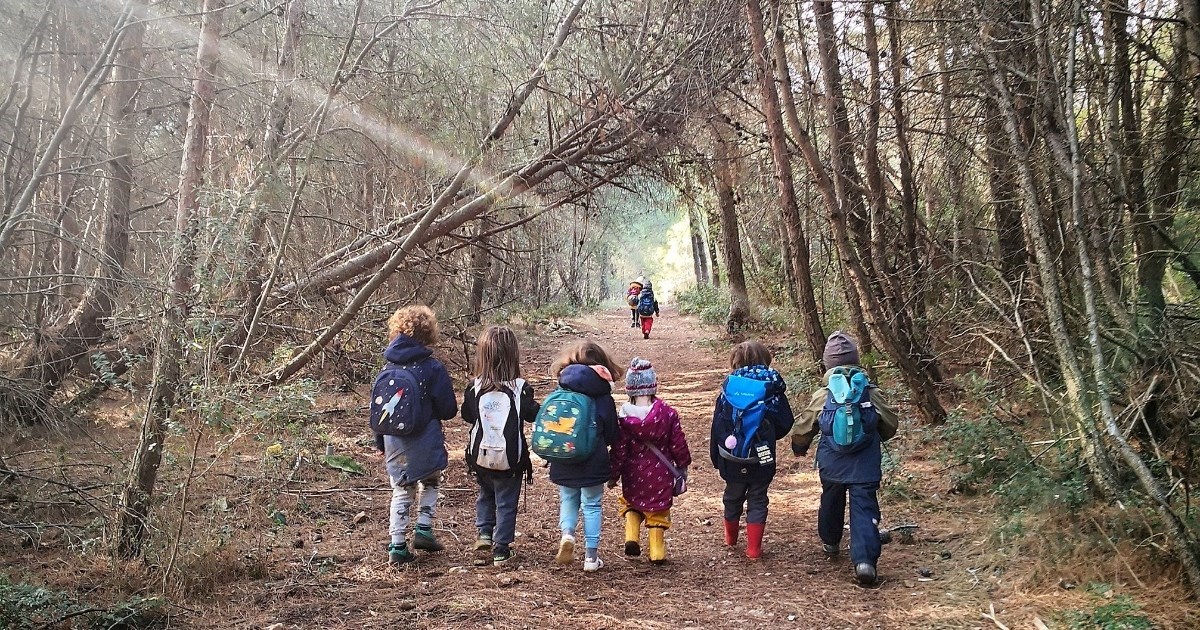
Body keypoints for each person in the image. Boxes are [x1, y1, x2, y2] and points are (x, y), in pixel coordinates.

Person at [790, 331, 898, 586]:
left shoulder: (824, 393)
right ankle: (864, 562)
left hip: (832, 463)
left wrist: (799, 447)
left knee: (831, 498)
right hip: (865, 465)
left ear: (827, 364)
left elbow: (804, 426)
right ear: (856, 360)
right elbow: (891, 425)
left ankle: (830, 542)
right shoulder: (869, 390)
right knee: (864, 507)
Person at [370, 305, 458, 566]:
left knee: (401, 490)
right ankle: (423, 528)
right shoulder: (432, 368)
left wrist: (380, 442)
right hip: (426, 439)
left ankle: (397, 545)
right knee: (431, 481)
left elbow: (379, 413)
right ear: (429, 333)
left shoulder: (387, 367)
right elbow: (448, 409)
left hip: (393, 441)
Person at [461, 326, 540, 567]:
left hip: (481, 457)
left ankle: (484, 532)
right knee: (506, 502)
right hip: (510, 459)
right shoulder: (520, 388)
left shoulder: (475, 387)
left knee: (485, 494)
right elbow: (532, 415)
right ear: (512, 355)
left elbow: (467, 415)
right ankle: (501, 549)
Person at [709, 340, 794, 559]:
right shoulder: (772, 389)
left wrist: (717, 457)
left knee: (732, 496)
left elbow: (717, 426)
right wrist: (768, 436)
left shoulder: (728, 390)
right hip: (763, 455)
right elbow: (785, 422)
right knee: (758, 497)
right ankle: (754, 549)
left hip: (732, 455)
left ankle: (731, 538)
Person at [546, 340, 622, 572]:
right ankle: (591, 557)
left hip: (563, 458)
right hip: (594, 461)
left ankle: (568, 534)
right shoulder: (603, 397)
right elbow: (612, 435)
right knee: (592, 504)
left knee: (568, 499)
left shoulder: (561, 391)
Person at [609, 357, 691, 564]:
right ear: (653, 385)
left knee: (632, 504)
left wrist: (613, 474)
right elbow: (678, 444)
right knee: (658, 511)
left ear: (630, 389)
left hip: (633, 472)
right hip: (660, 473)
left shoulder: (623, 418)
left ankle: (631, 537)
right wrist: (682, 465)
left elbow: (619, 450)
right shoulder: (668, 414)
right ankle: (656, 551)